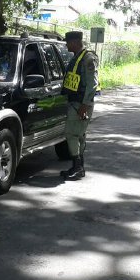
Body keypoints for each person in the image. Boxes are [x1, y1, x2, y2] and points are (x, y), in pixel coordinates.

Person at [60, 31, 99, 181]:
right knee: (79, 135)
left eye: (68, 42)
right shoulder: (77, 58)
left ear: (75, 42)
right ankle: (79, 167)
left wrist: (85, 105)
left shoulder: (88, 59)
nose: (66, 44)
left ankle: (77, 167)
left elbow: (92, 84)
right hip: (76, 102)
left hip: (81, 104)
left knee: (71, 134)